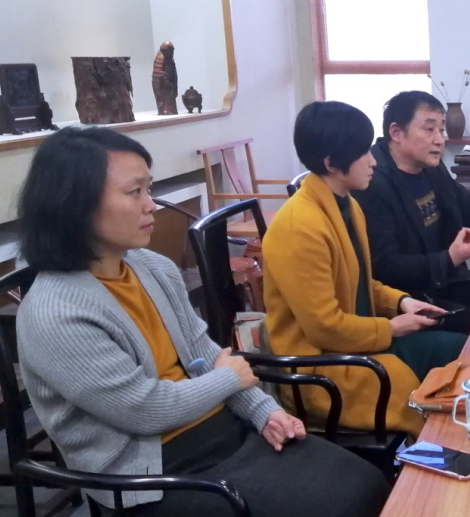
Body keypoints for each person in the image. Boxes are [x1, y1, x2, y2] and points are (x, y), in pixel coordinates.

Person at [15, 127, 389, 517]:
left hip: (217, 425)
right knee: (338, 506)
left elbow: (205, 352)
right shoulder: (55, 312)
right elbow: (145, 409)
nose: (151, 206)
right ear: (76, 204)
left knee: (365, 482)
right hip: (151, 471)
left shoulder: (152, 267)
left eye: (149, 189)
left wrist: (264, 411)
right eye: (134, 192)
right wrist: (228, 379)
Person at [263, 102, 466, 437]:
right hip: (324, 368)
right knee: (421, 378)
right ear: (331, 163)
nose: (373, 160)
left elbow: (357, 281)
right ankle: (433, 453)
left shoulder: (347, 205)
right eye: (362, 153)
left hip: (359, 343)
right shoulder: (299, 228)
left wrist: (401, 302)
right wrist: (393, 327)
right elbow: (325, 328)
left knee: (461, 350)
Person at [354, 91, 470, 333]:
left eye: (441, 130)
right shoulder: (372, 183)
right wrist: (449, 258)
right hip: (407, 298)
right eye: (429, 130)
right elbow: (386, 267)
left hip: (445, 278)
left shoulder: (431, 168)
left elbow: (469, 204)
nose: (439, 140)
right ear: (396, 132)